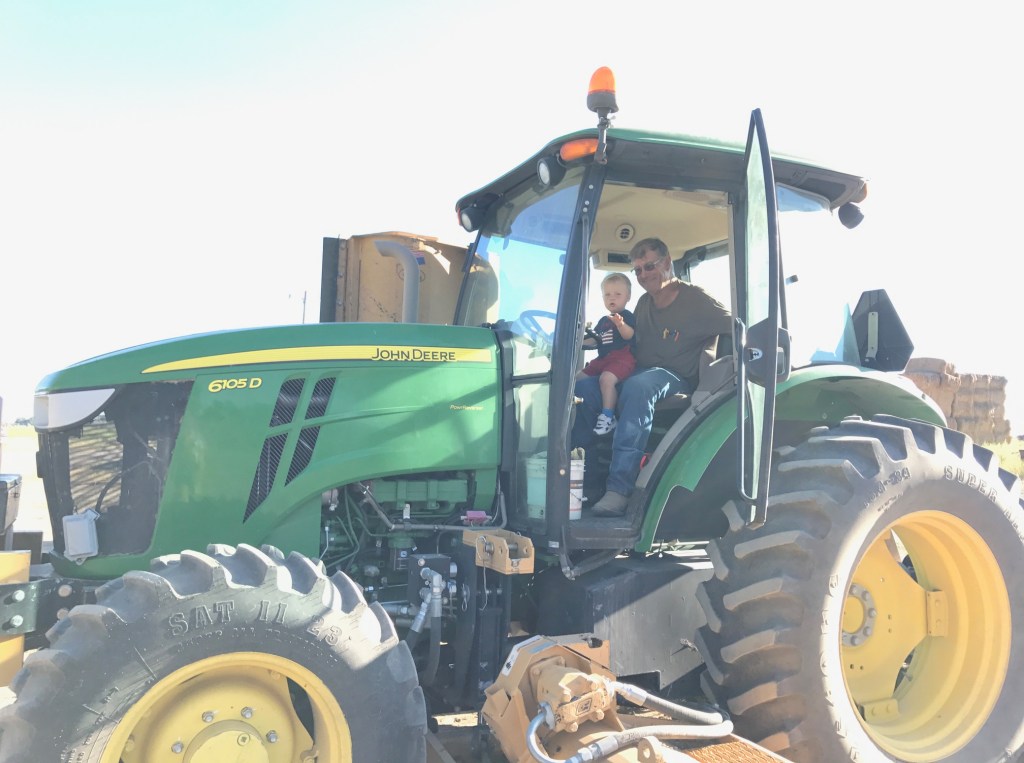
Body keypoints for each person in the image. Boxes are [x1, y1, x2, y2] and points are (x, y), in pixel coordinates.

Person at [572, 237, 732, 516]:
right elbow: (629, 344)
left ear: (667, 262)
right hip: (640, 371)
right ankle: (586, 485)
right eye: (638, 270)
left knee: (638, 387)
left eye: (649, 266)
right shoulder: (644, 303)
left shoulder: (696, 299)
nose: (644, 275)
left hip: (675, 378)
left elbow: (737, 324)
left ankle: (619, 489)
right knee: (584, 388)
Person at [578, 272, 636, 436]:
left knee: (606, 379)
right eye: (607, 294)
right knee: (576, 379)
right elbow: (595, 339)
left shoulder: (626, 316)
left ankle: (608, 417)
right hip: (603, 359)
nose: (612, 298)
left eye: (617, 294)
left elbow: (629, 335)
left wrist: (620, 325)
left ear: (628, 297)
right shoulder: (604, 320)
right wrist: (577, 341)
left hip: (621, 358)